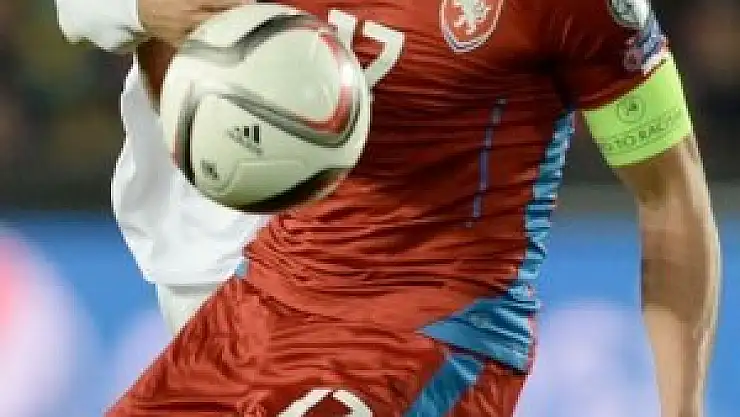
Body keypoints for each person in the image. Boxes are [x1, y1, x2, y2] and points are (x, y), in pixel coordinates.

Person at [54, 0, 721, 416]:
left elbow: (670, 192)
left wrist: (683, 408)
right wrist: (143, 9)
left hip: (431, 332)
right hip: (261, 301)